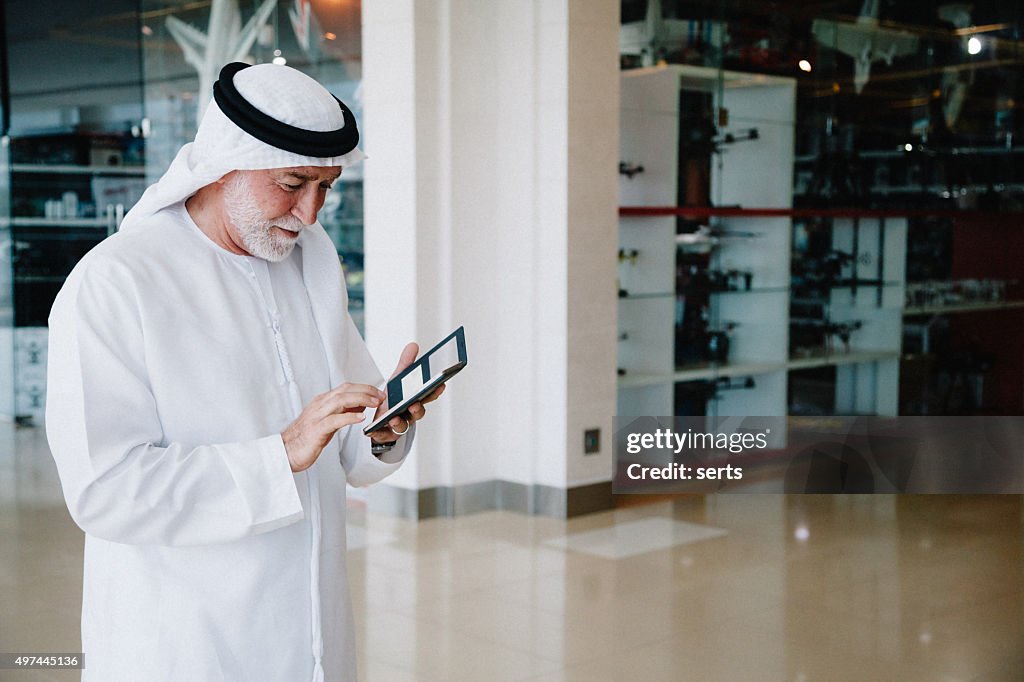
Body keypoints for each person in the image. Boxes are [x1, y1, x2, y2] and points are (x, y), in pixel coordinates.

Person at [45, 62, 441, 682]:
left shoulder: (309, 258)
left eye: (326, 188)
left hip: (310, 620)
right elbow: (106, 490)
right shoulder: (117, 282)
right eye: (292, 183)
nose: (310, 215)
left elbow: (343, 440)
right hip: (187, 636)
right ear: (224, 165)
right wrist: (281, 454)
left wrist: (383, 426)